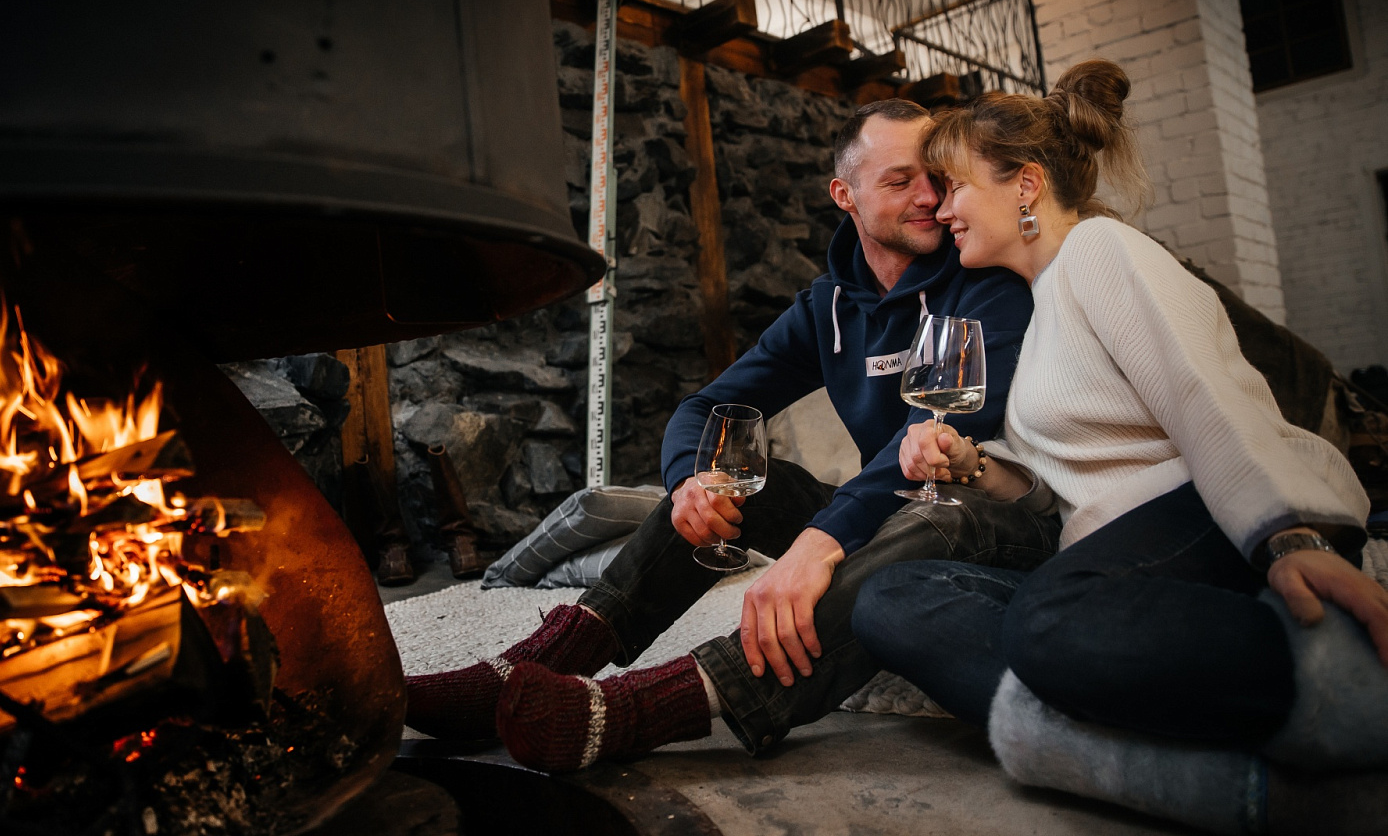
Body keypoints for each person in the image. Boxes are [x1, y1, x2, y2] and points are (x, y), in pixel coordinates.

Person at [404, 98, 1051, 772]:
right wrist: (693, 482)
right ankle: (538, 660)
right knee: (743, 484)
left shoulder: (985, 280)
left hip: (991, 519)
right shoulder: (827, 305)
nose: (927, 198)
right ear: (844, 195)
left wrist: (819, 546)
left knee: (922, 515)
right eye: (897, 181)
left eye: (936, 177)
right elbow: (709, 407)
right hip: (893, 512)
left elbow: (941, 435)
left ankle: (641, 707)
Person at [851, 59, 1388, 835]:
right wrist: (973, 464)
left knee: (1050, 618)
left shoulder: (1104, 251)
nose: (942, 205)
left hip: (1214, 512)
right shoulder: (1042, 308)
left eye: (956, 184)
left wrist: (1286, 534)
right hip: (1120, 566)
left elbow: (1202, 392)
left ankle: (1349, 693)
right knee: (894, 601)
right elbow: (1052, 484)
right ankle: (1254, 788)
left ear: (1026, 185)